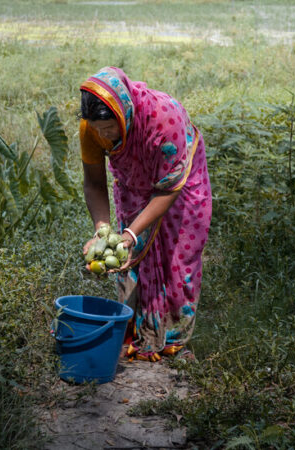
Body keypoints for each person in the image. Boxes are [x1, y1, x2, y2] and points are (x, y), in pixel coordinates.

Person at [79, 66, 212, 362]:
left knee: (178, 258)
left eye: (110, 128)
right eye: (99, 130)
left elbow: (168, 189)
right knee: (132, 261)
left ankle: (173, 341)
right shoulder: (91, 129)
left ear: (126, 112)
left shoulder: (164, 119)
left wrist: (129, 233)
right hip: (134, 187)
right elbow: (94, 182)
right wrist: (102, 230)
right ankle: (139, 335)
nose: (105, 136)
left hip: (180, 183)